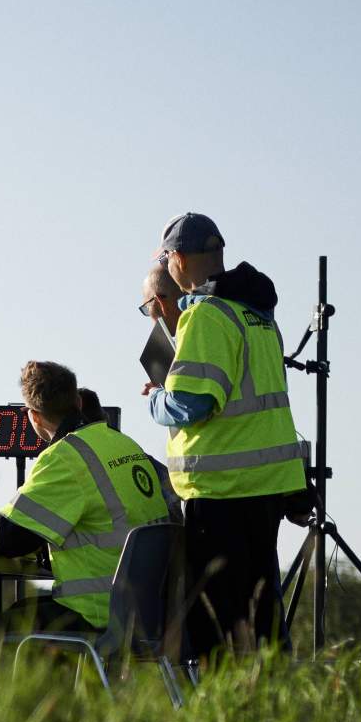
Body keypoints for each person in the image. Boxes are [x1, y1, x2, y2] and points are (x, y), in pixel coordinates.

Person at [142, 212, 307, 659]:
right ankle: (274, 694)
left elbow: (193, 403)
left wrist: (156, 398)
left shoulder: (206, 314)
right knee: (260, 613)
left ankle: (223, 700)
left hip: (221, 493)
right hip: (266, 486)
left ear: (177, 259)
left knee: (214, 625)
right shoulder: (256, 313)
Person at [0, 360, 175, 644]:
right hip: (152, 611)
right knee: (23, 610)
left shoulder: (64, 457)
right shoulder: (124, 444)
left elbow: (10, 537)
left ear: (33, 416)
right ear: (78, 401)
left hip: (99, 613)